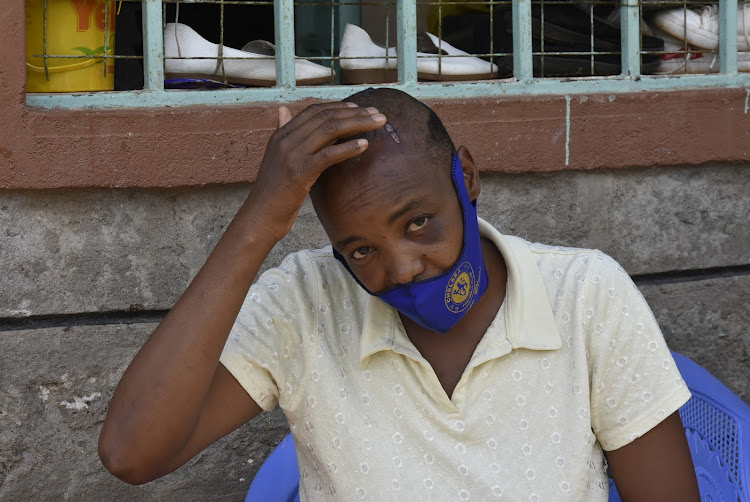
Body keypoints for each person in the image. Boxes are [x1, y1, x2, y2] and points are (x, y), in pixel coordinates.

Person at [99, 88, 701, 501]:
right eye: (361, 250)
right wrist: (261, 218)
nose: (404, 267)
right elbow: (133, 452)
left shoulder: (585, 295)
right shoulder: (305, 303)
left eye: (419, 223)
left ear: (465, 176)